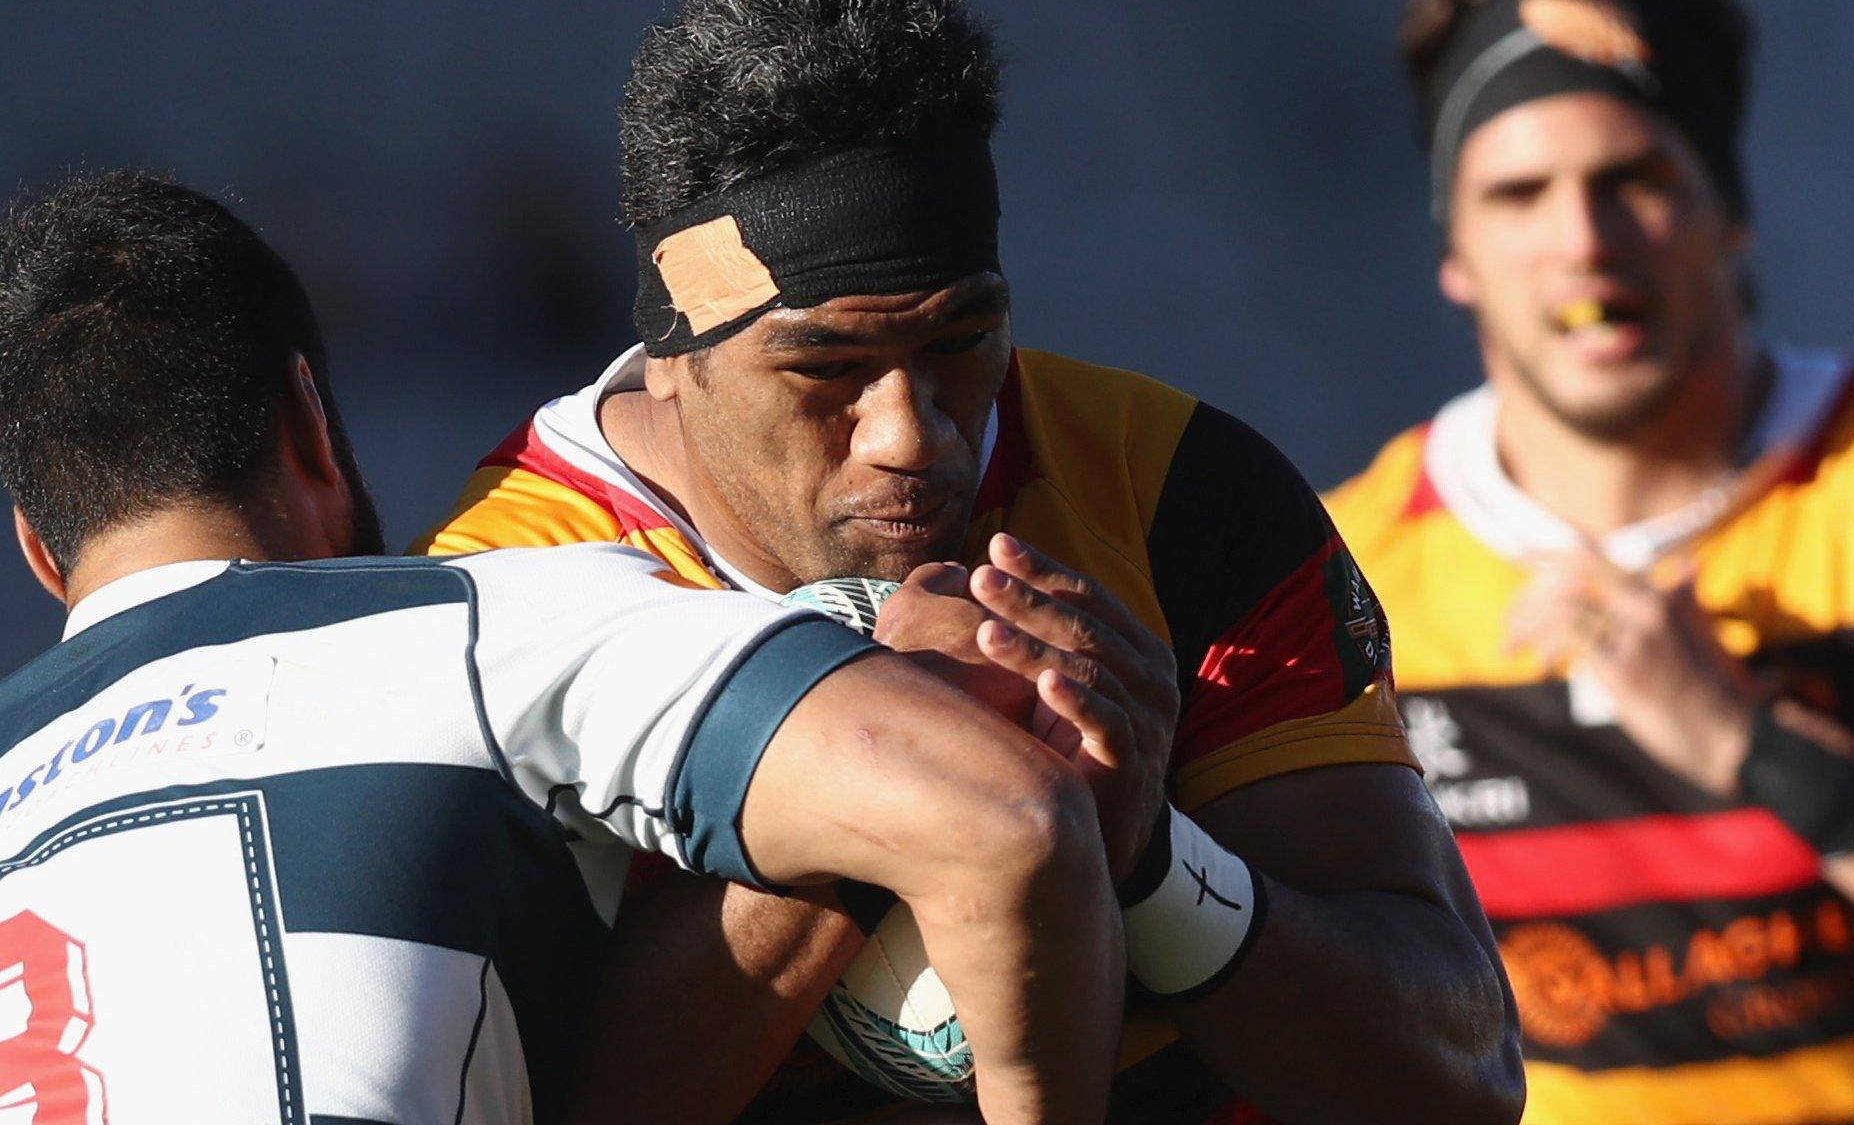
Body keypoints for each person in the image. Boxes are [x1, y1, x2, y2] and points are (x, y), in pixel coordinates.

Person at [417, 0, 1522, 1121]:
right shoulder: (497, 597)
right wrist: (890, 789)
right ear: (675, 355)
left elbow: (1455, 1081)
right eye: (826, 371)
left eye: (960, 339)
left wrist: (1152, 864)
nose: (911, 434)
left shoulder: (1170, 485)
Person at [0, 172, 1131, 1124]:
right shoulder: (469, 621)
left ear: (39, 553)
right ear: (307, 419)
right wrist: (930, 673)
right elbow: (999, 818)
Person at [1323, 0, 1854, 1122]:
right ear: (1452, 251)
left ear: (1730, 211)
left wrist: (1752, 745)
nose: (1581, 239)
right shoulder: (1353, 569)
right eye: (1518, 193)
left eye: (1637, 179)